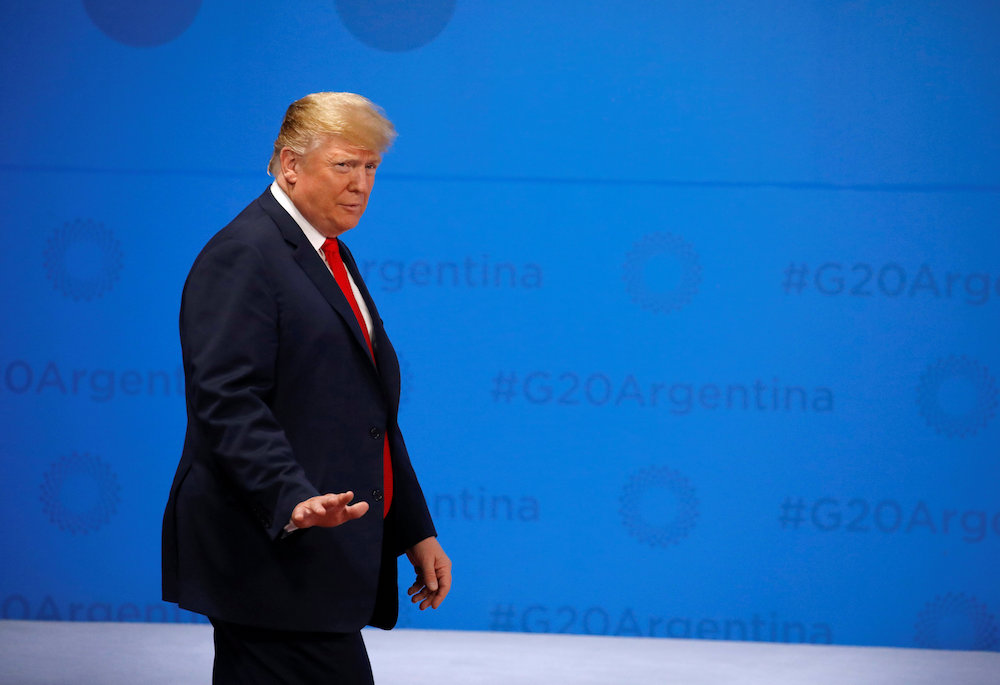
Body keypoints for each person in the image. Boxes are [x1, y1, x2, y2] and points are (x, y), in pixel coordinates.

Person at [161, 92, 451, 684]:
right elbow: (226, 399)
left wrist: (414, 529)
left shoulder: (327, 254)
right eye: (345, 165)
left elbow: (368, 412)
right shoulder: (245, 253)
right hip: (268, 556)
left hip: (315, 561)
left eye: (371, 167)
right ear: (290, 165)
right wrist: (291, 496)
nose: (362, 183)